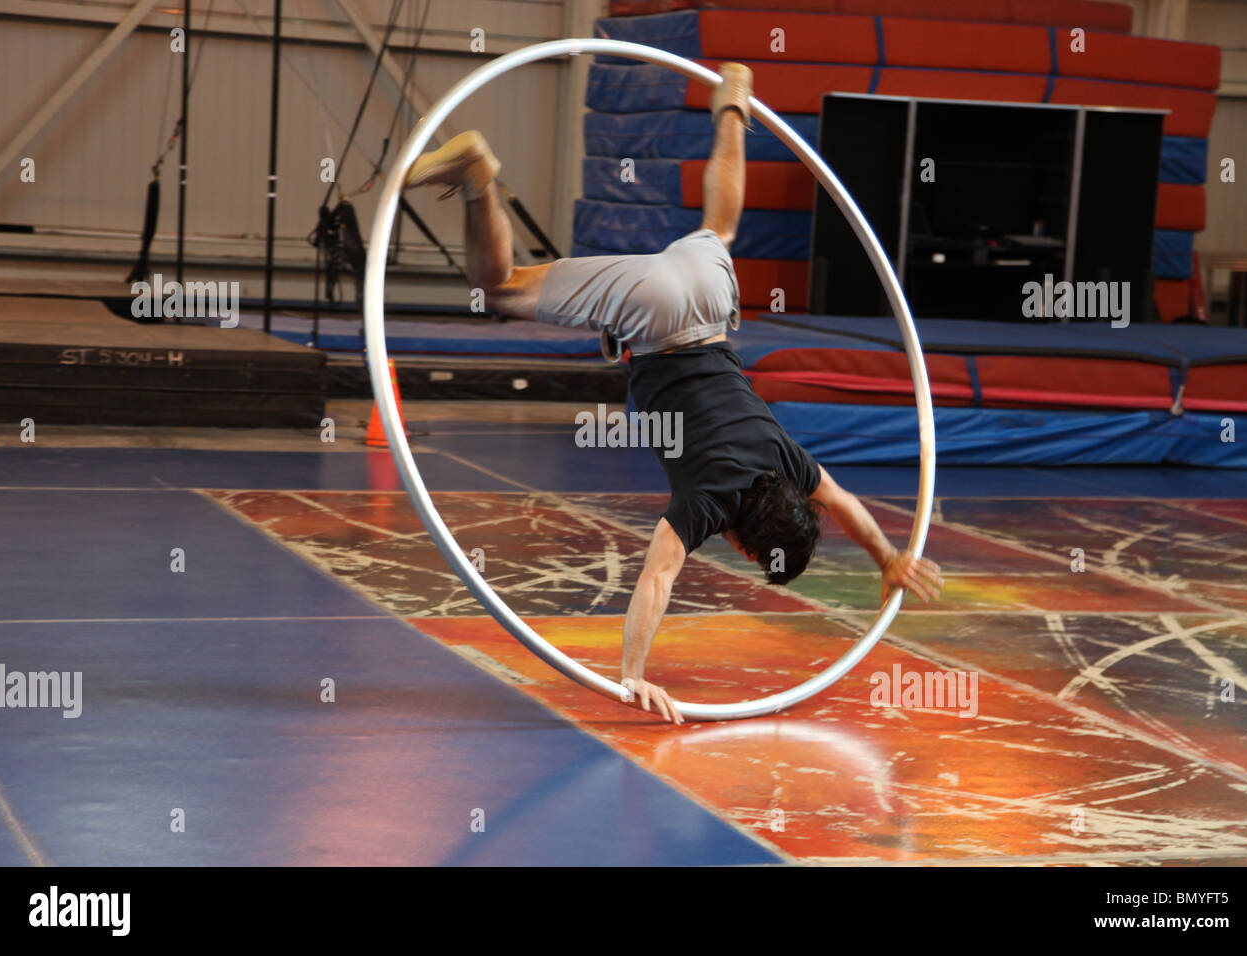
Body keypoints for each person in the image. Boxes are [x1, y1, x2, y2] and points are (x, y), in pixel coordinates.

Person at [404, 63, 944, 724]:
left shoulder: (790, 465)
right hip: (656, 318)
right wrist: (633, 678)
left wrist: (889, 556)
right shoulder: (707, 504)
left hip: (710, 304)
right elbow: (657, 579)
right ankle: (479, 177)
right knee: (503, 289)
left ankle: (733, 104)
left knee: (722, 226)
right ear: (745, 545)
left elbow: (845, 503)